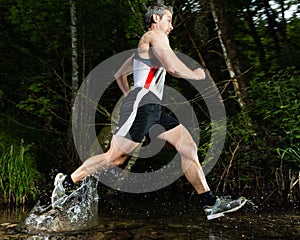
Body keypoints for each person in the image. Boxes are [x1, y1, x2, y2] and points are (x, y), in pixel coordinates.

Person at [51, 3, 246, 219]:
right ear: (156, 18)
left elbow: (120, 74)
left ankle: (210, 203)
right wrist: (197, 75)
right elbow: (173, 68)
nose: (171, 26)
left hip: (151, 108)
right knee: (115, 159)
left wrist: (131, 95)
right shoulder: (154, 37)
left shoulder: (144, 48)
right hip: (143, 105)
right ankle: (68, 181)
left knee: (187, 145)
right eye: (169, 20)